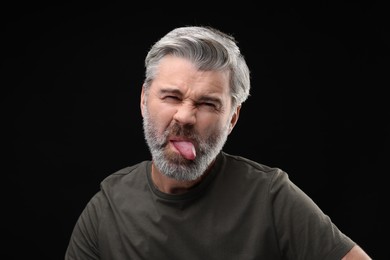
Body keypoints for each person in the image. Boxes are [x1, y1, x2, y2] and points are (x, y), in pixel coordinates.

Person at [65, 25, 372, 259]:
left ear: (233, 118)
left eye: (208, 104)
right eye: (171, 96)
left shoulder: (269, 195)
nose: (185, 117)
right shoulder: (106, 209)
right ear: (144, 100)